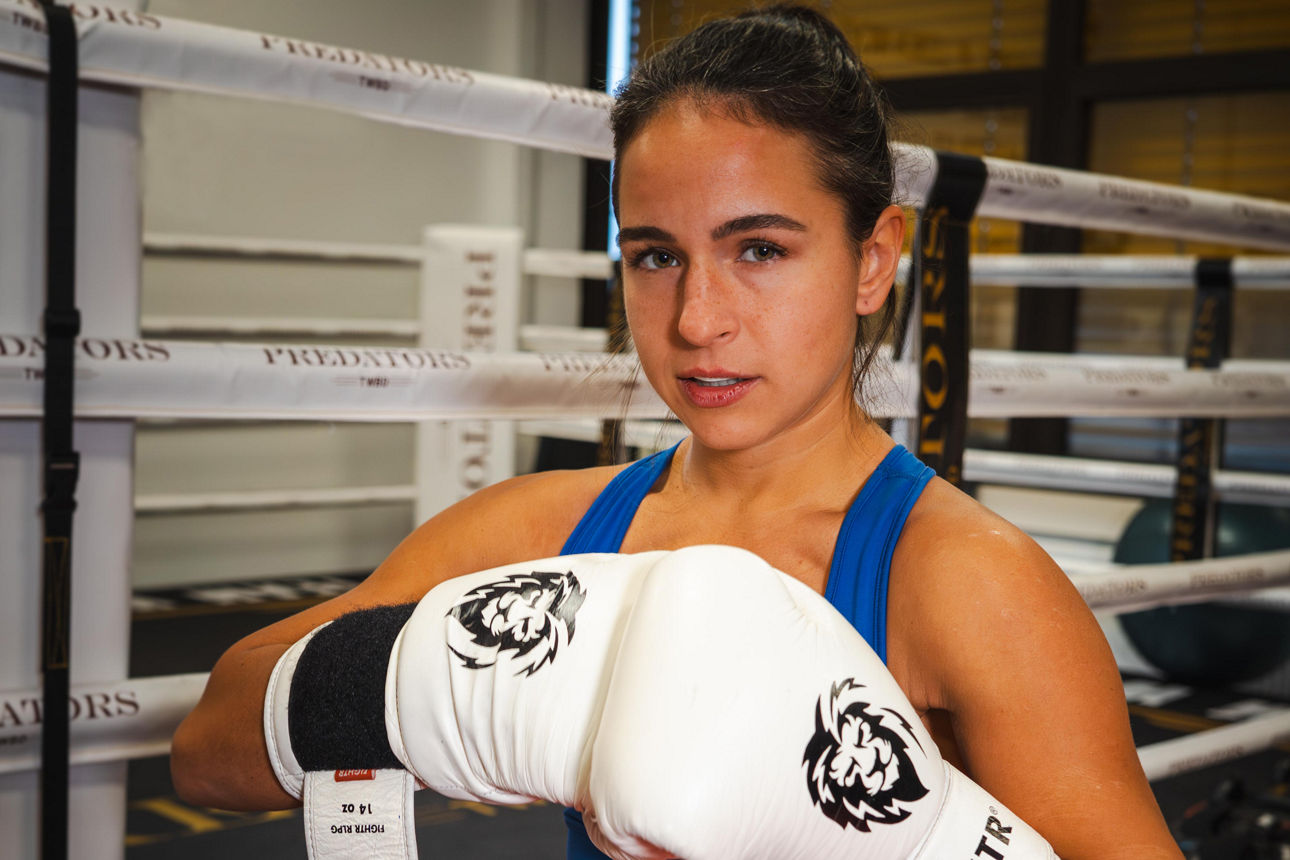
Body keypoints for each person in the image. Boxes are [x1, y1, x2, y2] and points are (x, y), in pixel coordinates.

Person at [171, 6, 1183, 858]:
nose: (699, 318)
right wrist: (433, 676)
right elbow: (210, 747)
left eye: (759, 248)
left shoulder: (970, 582)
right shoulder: (545, 529)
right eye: (655, 255)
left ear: (873, 259)